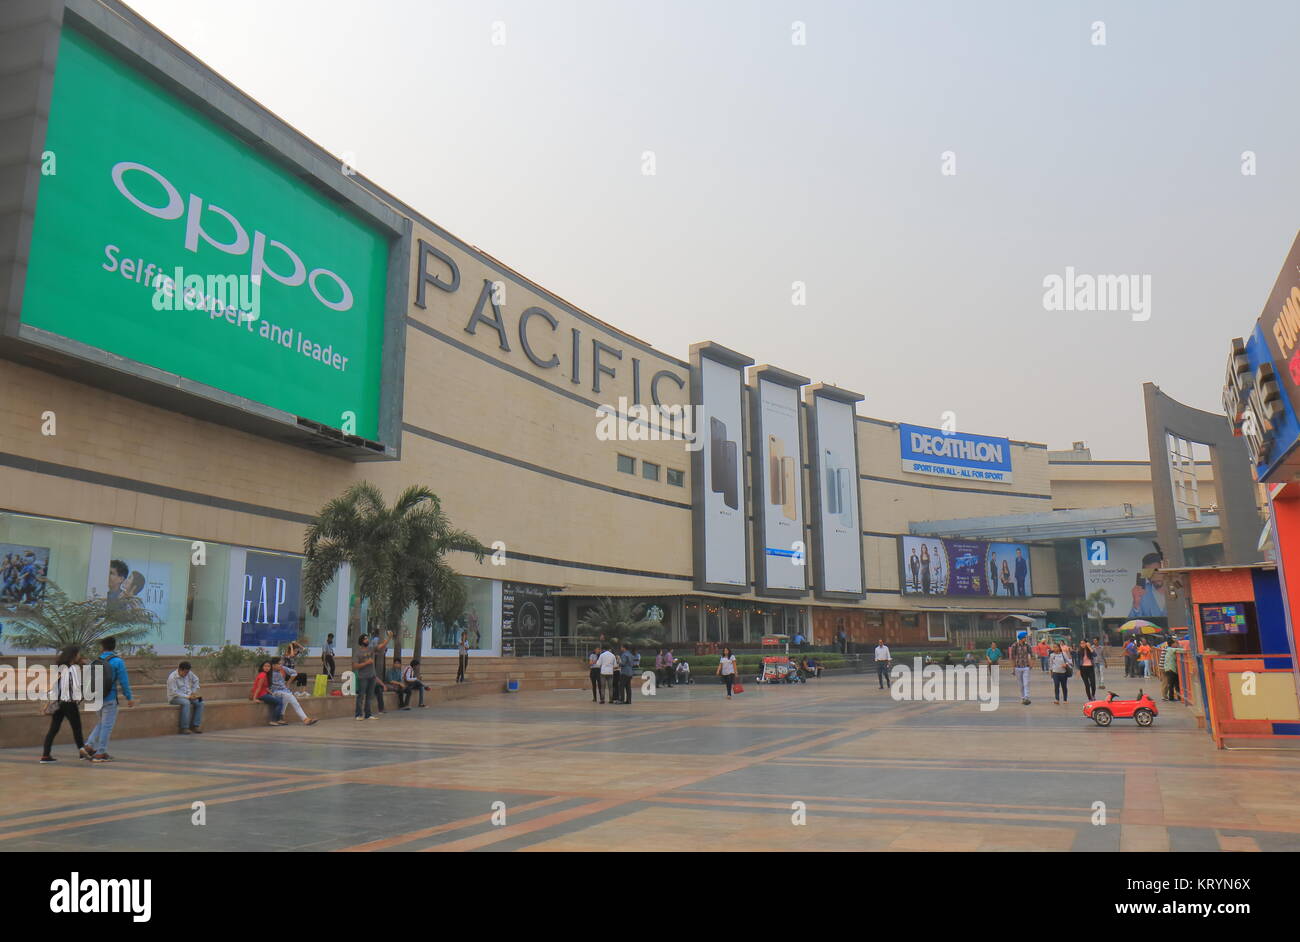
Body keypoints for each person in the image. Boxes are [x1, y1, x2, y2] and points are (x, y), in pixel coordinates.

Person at [82, 635, 135, 762]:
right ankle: (101, 752)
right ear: (114, 646)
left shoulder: (95, 661)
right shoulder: (118, 662)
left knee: (102, 723)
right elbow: (124, 681)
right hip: (110, 698)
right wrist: (129, 697)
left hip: (96, 698)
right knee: (107, 726)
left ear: (102, 647)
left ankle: (89, 745)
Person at [41, 645, 88, 762]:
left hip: (58, 703)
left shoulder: (59, 668)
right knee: (76, 728)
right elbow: (76, 686)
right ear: (73, 655)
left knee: (53, 729)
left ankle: (45, 755)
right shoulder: (73, 669)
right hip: (69, 703)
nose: (79, 656)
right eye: (78, 654)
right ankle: (82, 753)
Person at [269, 656, 317, 726]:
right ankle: (305, 719)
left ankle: (282, 718)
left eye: (281, 664)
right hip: (275, 692)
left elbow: (294, 672)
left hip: (284, 691)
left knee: (288, 698)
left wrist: (288, 682)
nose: (280, 665)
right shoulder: (269, 671)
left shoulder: (282, 668)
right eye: (279, 664)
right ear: (273, 665)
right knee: (289, 697)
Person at [353, 632, 388, 720]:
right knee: (361, 695)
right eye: (365, 639)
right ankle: (358, 715)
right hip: (363, 677)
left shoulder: (371, 649)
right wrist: (366, 663)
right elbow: (355, 666)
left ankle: (368, 714)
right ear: (361, 641)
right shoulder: (358, 652)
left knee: (369, 696)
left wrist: (389, 638)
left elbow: (381, 646)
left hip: (372, 676)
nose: (367, 640)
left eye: (367, 638)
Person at [166, 660, 204, 734]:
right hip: (175, 698)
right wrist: (188, 697)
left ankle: (196, 726)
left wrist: (193, 692)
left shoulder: (189, 673)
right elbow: (174, 692)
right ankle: (184, 728)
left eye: (187, 672)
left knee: (200, 701)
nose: (186, 674)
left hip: (189, 695)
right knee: (186, 703)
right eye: (185, 672)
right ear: (180, 670)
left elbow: (196, 680)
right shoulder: (172, 677)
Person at [250, 660, 286, 725]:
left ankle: (278, 719)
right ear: (262, 667)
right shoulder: (263, 675)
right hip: (261, 695)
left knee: (279, 699)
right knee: (279, 702)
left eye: (268, 666)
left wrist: (271, 693)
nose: (267, 668)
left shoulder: (266, 675)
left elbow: (265, 687)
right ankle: (274, 720)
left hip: (264, 693)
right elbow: (259, 687)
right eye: (265, 666)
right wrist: (254, 698)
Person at [1009, 631, 1033, 705]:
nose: (1025, 639)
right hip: (1018, 667)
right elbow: (1012, 657)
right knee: (1020, 684)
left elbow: (1031, 655)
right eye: (1024, 637)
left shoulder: (1027, 646)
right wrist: (1013, 668)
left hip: (1026, 666)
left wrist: (1031, 664)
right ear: (1021, 638)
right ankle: (1022, 697)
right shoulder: (1014, 645)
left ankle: (1026, 697)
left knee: (1026, 683)